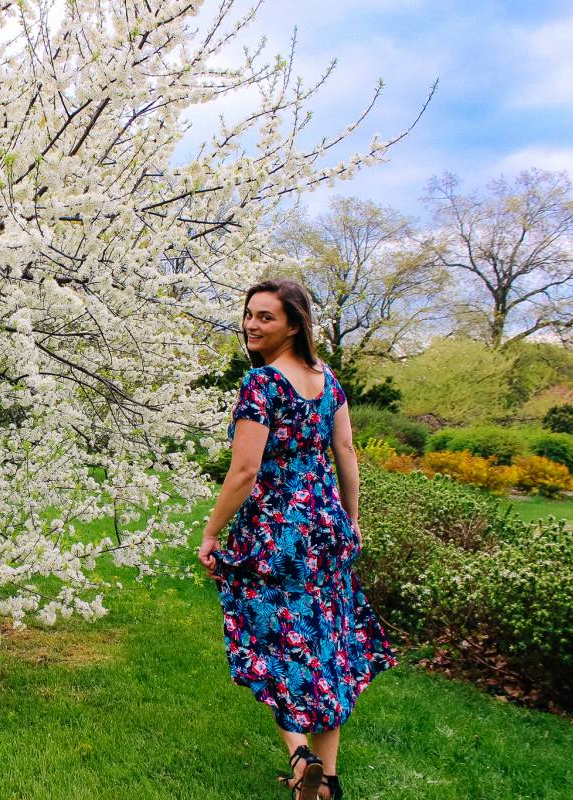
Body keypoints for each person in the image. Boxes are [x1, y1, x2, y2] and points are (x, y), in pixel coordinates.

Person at [197, 279, 396, 800]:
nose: (251, 324)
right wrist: (350, 520)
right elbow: (346, 452)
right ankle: (326, 780)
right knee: (327, 641)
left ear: (294, 325)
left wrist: (213, 532)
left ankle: (300, 753)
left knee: (271, 639)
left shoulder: (263, 385)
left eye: (266, 317)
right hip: (325, 526)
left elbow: (244, 470)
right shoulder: (328, 381)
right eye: (249, 314)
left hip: (278, 529)